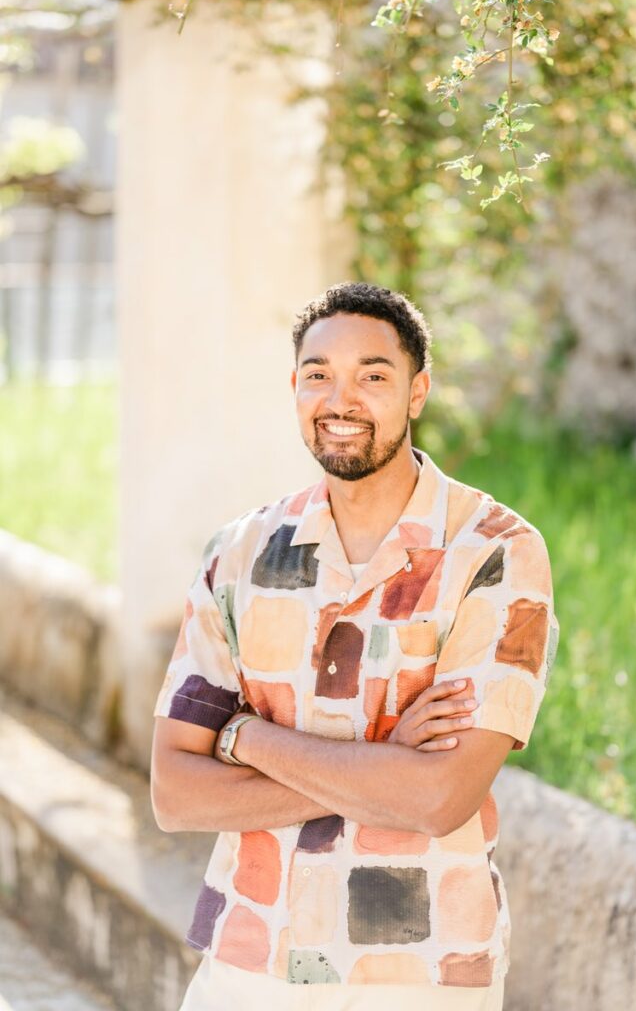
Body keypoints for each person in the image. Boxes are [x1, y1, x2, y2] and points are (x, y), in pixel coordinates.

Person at [150, 281, 559, 1011]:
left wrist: (242, 737)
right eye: (319, 375)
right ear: (295, 388)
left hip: (420, 968)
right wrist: (382, 764)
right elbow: (174, 794)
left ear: (417, 392)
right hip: (251, 952)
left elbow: (437, 799)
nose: (340, 400)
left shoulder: (493, 553)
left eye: (372, 376)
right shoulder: (239, 553)